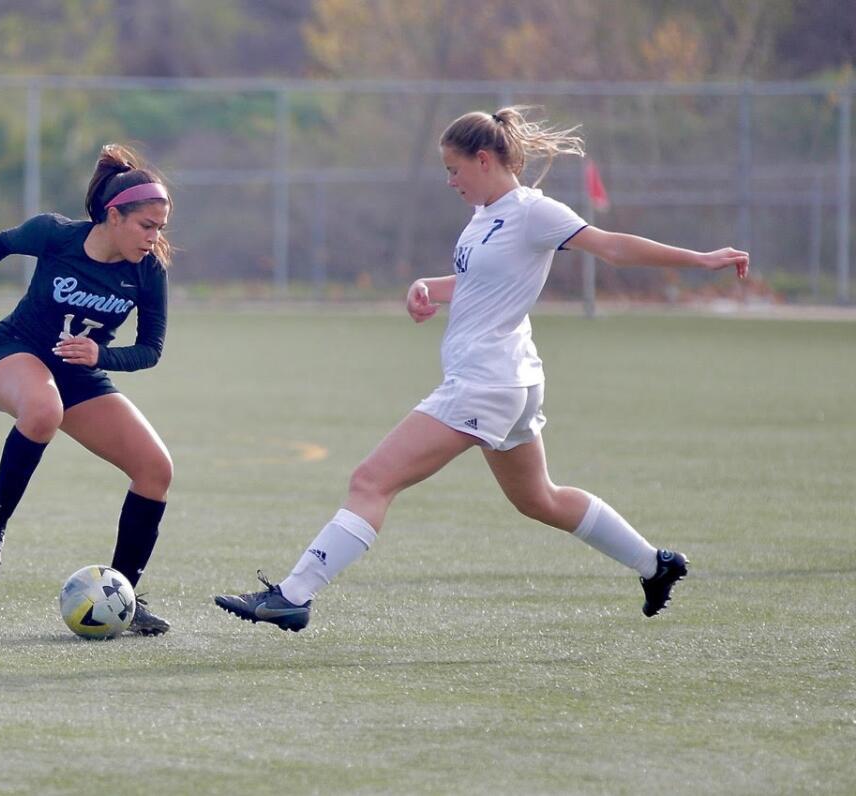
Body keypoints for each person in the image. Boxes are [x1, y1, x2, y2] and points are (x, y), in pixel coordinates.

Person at [214, 106, 749, 632]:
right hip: (510, 380)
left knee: (371, 481)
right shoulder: (482, 219)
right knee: (539, 499)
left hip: (485, 383)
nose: (450, 181)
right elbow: (478, 284)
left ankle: (293, 595)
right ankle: (656, 565)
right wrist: (427, 287)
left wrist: (701, 260)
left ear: (486, 159)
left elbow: (610, 247)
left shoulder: (532, 212)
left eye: (454, 169)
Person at [0, 143, 175, 636]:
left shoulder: (148, 270)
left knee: (155, 469)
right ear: (114, 216)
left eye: (160, 228)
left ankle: (125, 594)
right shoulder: (55, 235)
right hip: (17, 349)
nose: (154, 238)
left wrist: (103, 356)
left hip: (79, 371)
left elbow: (151, 349)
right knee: (42, 410)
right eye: (147, 226)